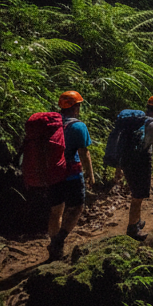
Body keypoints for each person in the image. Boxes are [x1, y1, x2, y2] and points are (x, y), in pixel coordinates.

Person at [47, 91, 94, 262]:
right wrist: (90, 174)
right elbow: (84, 152)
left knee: (56, 211)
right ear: (76, 107)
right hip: (72, 174)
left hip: (53, 173)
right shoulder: (78, 126)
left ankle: (54, 245)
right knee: (77, 207)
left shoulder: (51, 123)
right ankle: (58, 242)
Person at [121, 95, 153, 242]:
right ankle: (132, 229)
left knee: (136, 193)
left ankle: (137, 221)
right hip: (141, 161)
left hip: (127, 160)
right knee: (137, 197)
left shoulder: (134, 121)